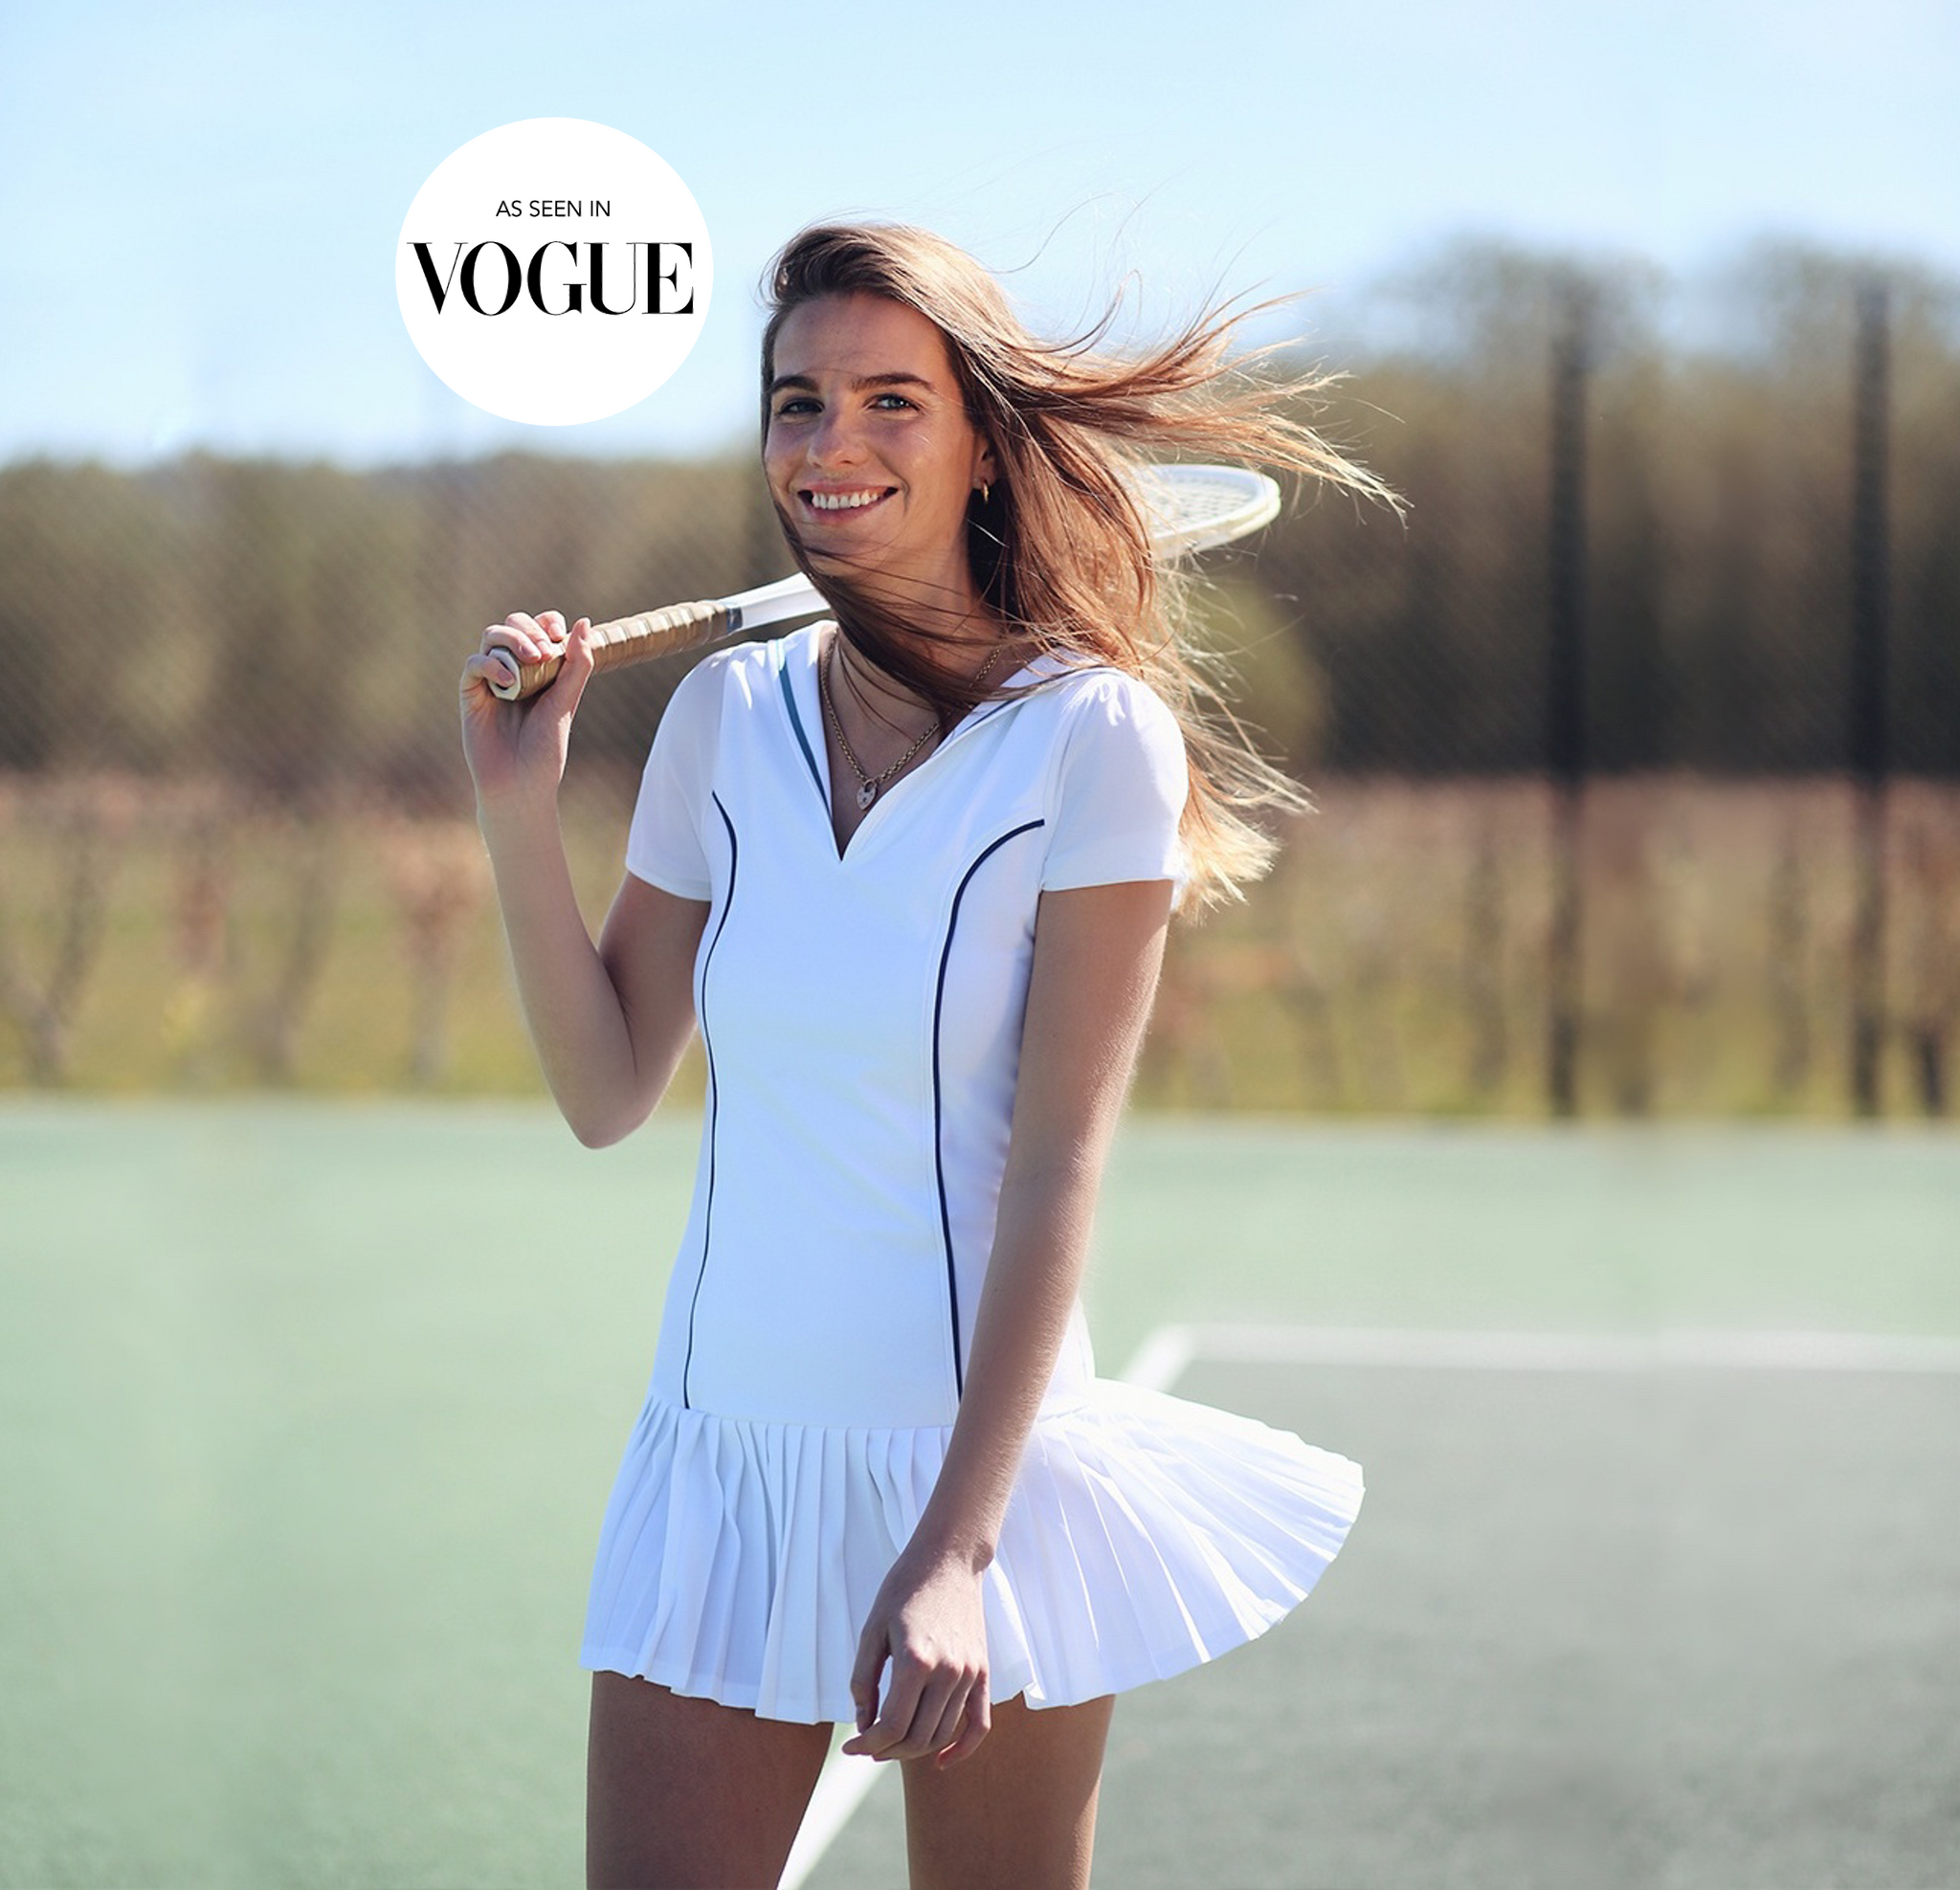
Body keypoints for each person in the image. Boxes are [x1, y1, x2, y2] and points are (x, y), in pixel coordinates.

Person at [460, 222, 1384, 1890]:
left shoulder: (1094, 738)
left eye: (894, 398)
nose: (834, 442)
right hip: (718, 1461)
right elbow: (607, 1089)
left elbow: (1058, 1163)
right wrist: (517, 810)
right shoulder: (721, 720)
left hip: (982, 1486)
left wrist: (960, 1548)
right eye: (798, 401)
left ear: (981, 444)